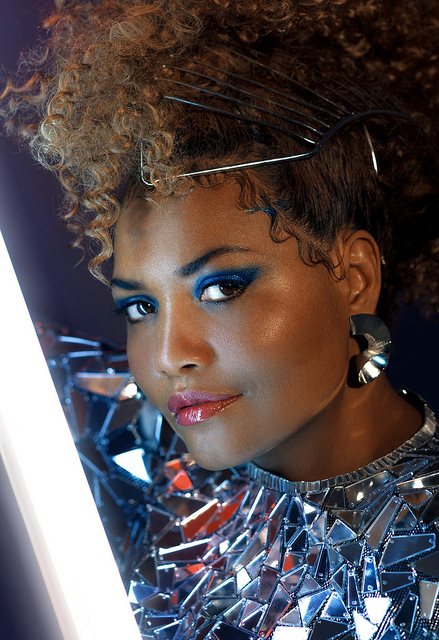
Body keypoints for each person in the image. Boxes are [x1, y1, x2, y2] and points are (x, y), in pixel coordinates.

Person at [2, 1, 439, 638]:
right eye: (140, 307)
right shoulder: (155, 457)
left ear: (353, 277)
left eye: (221, 288)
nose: (167, 355)